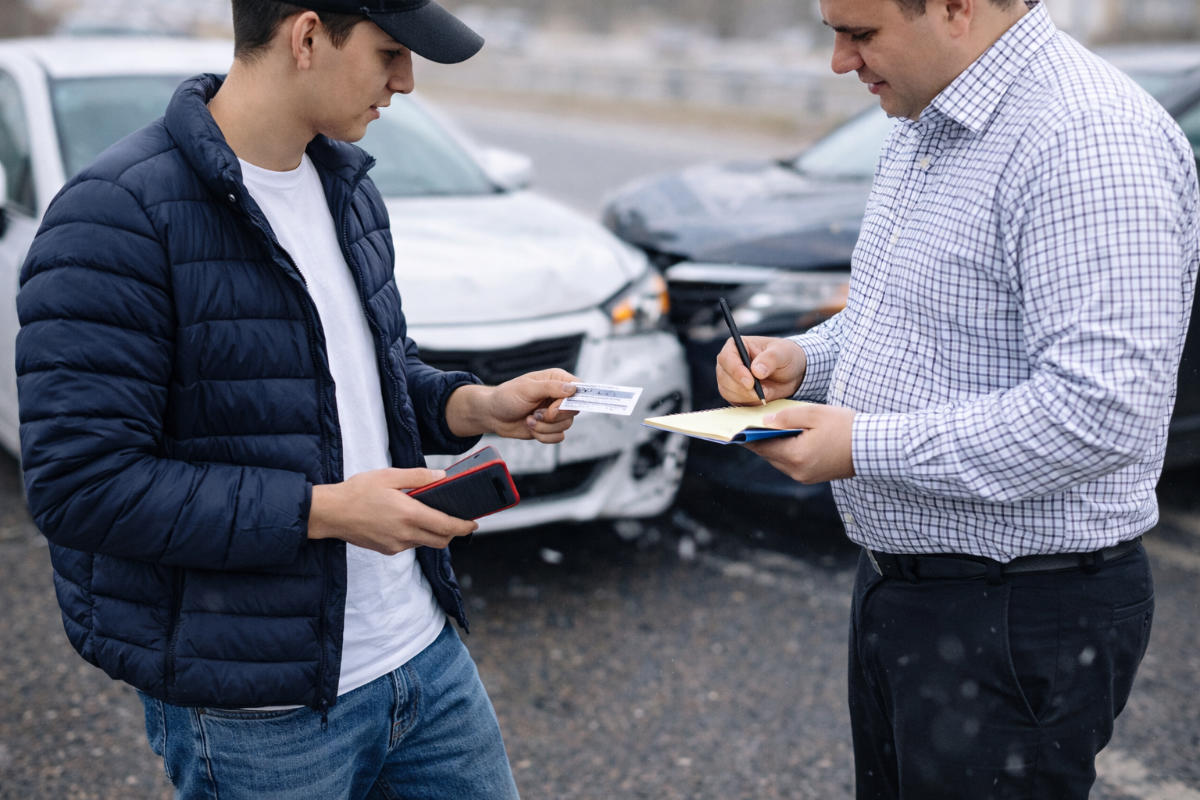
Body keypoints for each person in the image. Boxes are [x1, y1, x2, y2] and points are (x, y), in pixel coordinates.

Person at [15, 1, 580, 797]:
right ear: (307, 37)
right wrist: (326, 512)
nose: (407, 82)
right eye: (390, 53)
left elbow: (356, 381)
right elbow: (82, 487)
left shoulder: (346, 186)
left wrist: (472, 407)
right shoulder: (114, 218)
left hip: (424, 654)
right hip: (255, 703)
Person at [715, 0, 1199, 797]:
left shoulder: (1088, 139)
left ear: (954, 8)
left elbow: (1102, 410)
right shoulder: (922, 122)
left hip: (1016, 610)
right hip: (909, 593)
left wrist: (858, 446)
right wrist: (802, 361)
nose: (840, 62)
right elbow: (898, 323)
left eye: (860, 34)